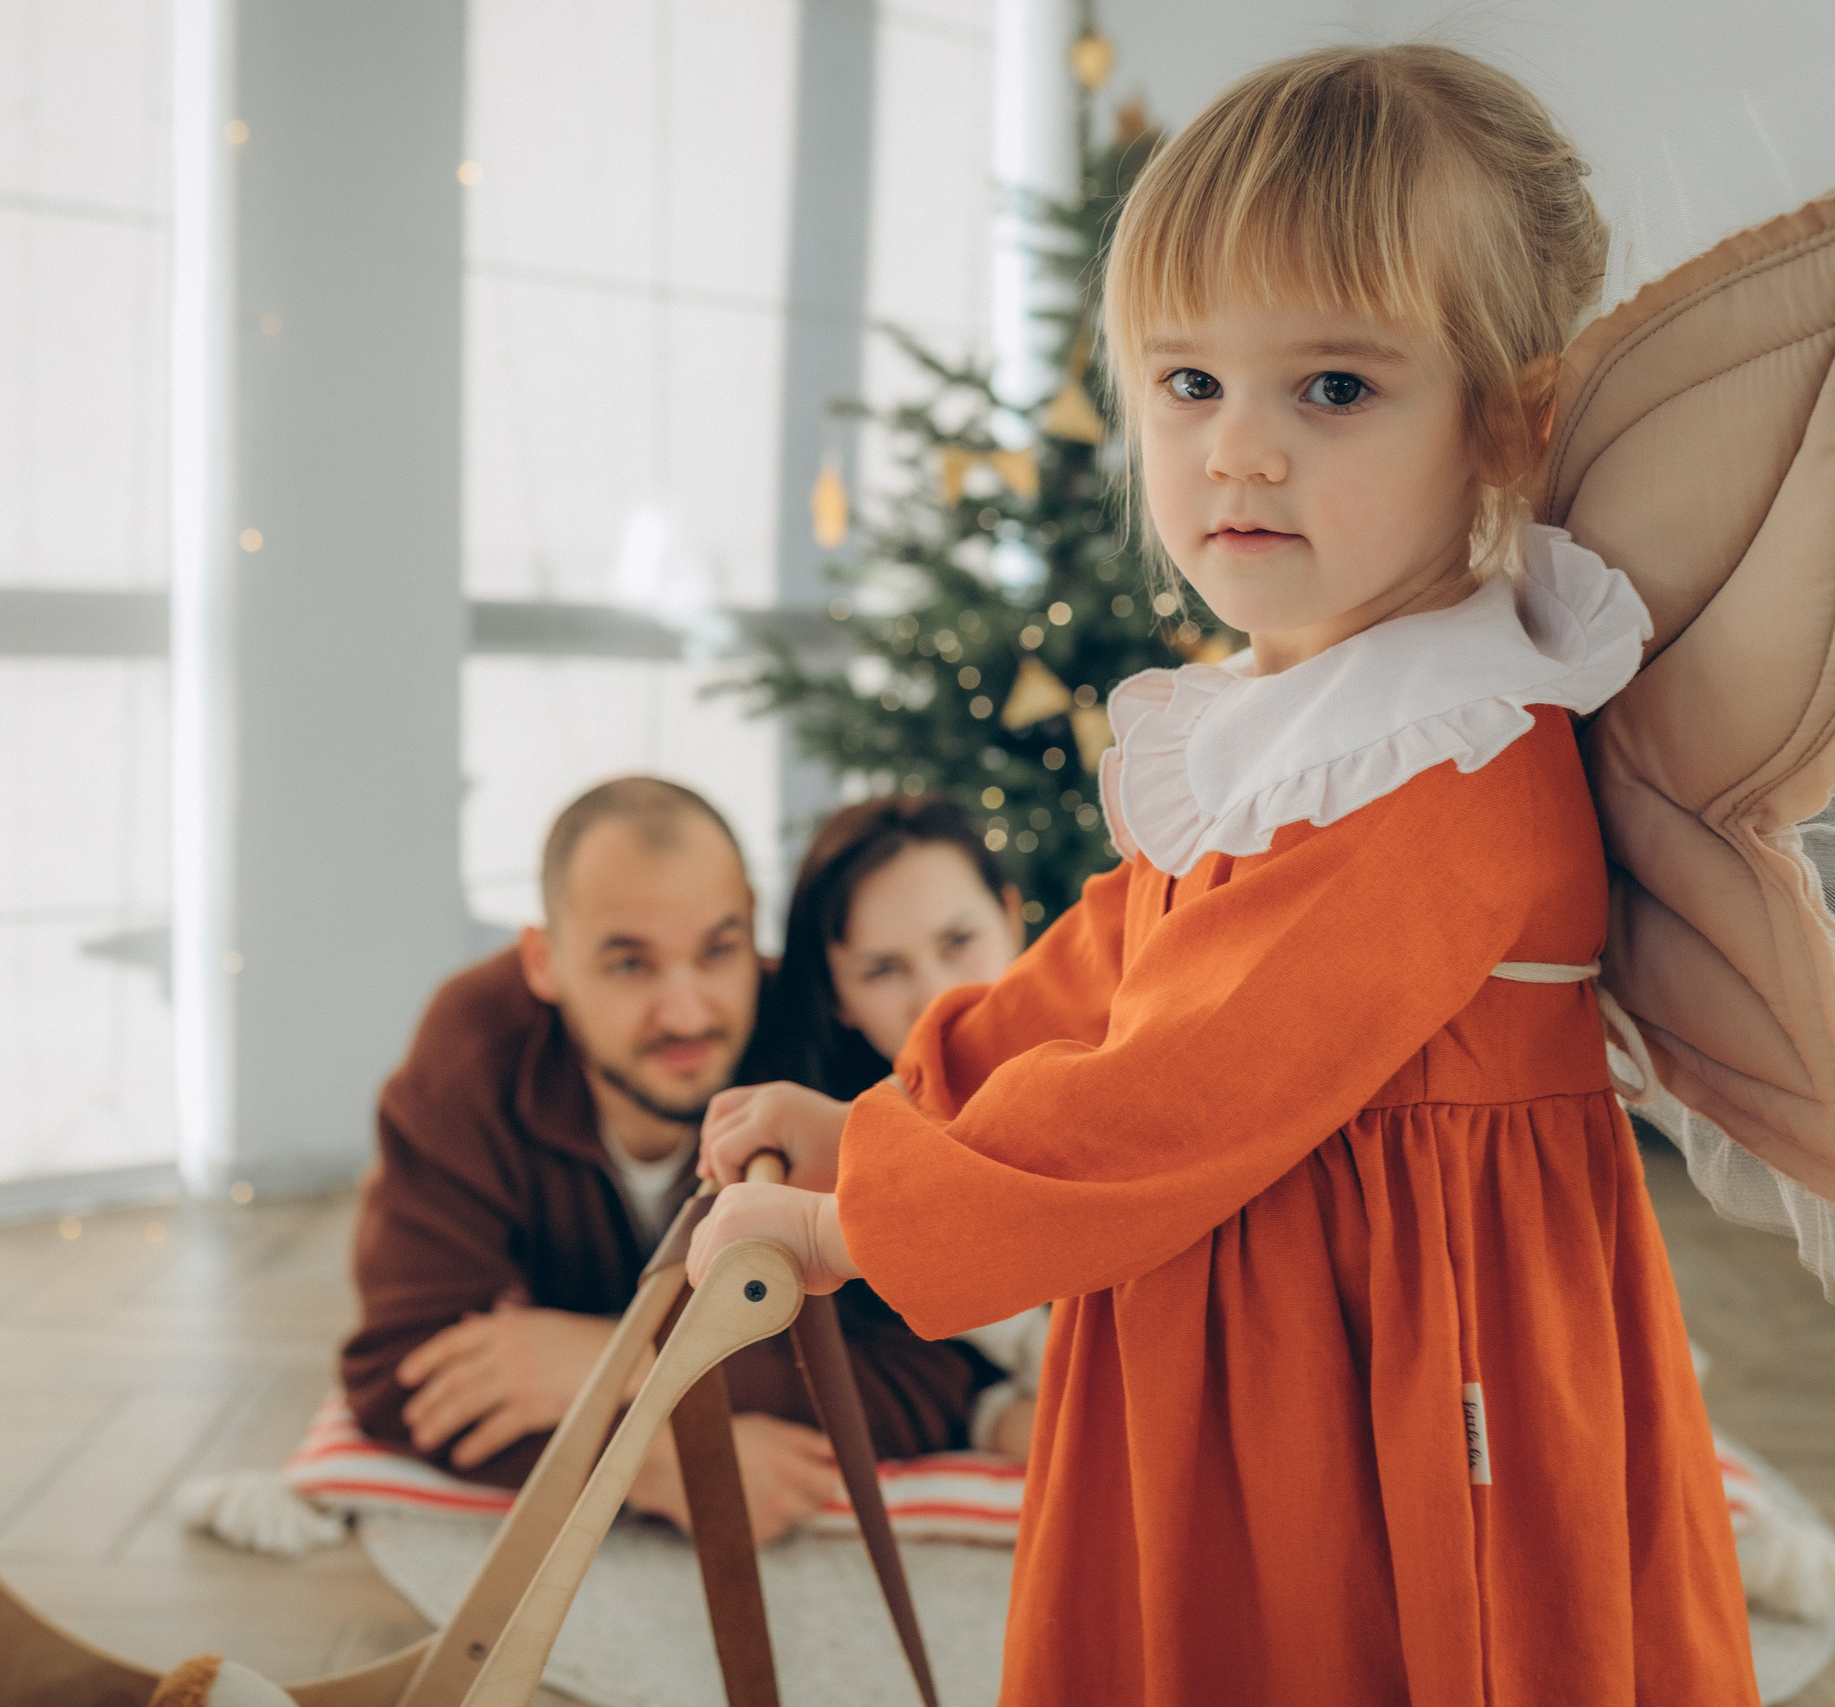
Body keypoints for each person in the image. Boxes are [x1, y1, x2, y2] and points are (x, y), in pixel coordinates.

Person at [692, 45, 1756, 1705]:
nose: (1239, 452)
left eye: (1331, 388)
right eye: (1190, 383)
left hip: (1393, 1354)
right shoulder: (1300, 719)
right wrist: (905, 1109)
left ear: (1505, 419)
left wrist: (860, 1223)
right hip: (1253, 1298)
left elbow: (1183, 1080)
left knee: (1347, 1637)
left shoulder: (1454, 756)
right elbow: (1123, 959)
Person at [341, 776, 989, 1546]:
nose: (686, 1012)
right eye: (629, 964)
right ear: (544, 961)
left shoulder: (816, 1053)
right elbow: (402, 1374)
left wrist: (626, 1363)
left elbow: (930, 1373)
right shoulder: (473, 1052)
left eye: (719, 950)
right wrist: (651, 1460)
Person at [709, 795, 1048, 1459]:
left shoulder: (1117, 1061)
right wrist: (1001, 1419)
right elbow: (917, 1382)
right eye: (883, 969)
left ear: (1011, 920)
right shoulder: (821, 1161)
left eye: (959, 941)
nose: (937, 997)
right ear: (837, 996)